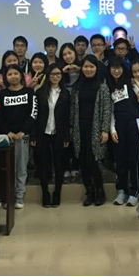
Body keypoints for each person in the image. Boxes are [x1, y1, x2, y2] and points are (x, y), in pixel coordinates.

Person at [107, 57, 139, 207]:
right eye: (113, 67)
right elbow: (111, 110)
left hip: (135, 123)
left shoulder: (132, 82)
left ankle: (135, 191)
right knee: (120, 159)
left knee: (135, 159)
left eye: (119, 67)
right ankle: (121, 191)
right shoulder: (110, 86)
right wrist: (112, 129)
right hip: (119, 124)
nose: (116, 70)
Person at [70, 55, 112, 206]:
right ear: (81, 68)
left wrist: (104, 130)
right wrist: (71, 127)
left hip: (95, 127)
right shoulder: (77, 87)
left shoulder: (102, 86)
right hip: (79, 127)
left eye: (91, 67)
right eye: (86, 66)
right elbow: (73, 109)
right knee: (82, 160)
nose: (88, 69)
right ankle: (89, 191)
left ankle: (99, 191)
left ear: (96, 68)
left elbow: (107, 109)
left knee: (93, 160)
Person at [0, 64, 38, 209]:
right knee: (9, 168)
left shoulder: (29, 92)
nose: (13, 76)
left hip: (23, 137)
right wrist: (7, 132)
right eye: (9, 74)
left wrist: (23, 131)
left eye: (16, 73)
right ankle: (9, 197)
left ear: (21, 75)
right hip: (7, 137)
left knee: (21, 168)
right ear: (5, 77)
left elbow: (33, 113)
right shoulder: (1, 94)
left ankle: (20, 196)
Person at [32, 64, 71, 208]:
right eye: (52, 74)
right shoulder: (40, 92)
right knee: (43, 164)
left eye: (58, 74)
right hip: (42, 133)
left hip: (59, 133)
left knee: (59, 164)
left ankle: (57, 193)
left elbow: (67, 117)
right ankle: (45, 193)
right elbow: (34, 115)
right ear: (48, 76)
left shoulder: (66, 94)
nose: (55, 77)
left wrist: (66, 137)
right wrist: (33, 136)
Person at [58, 43, 81, 182]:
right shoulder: (59, 71)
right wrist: (62, 72)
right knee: (65, 139)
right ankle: (66, 167)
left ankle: (76, 167)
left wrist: (80, 69)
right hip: (64, 110)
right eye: (64, 54)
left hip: (79, 110)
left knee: (76, 139)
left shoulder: (83, 69)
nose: (68, 56)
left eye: (70, 53)